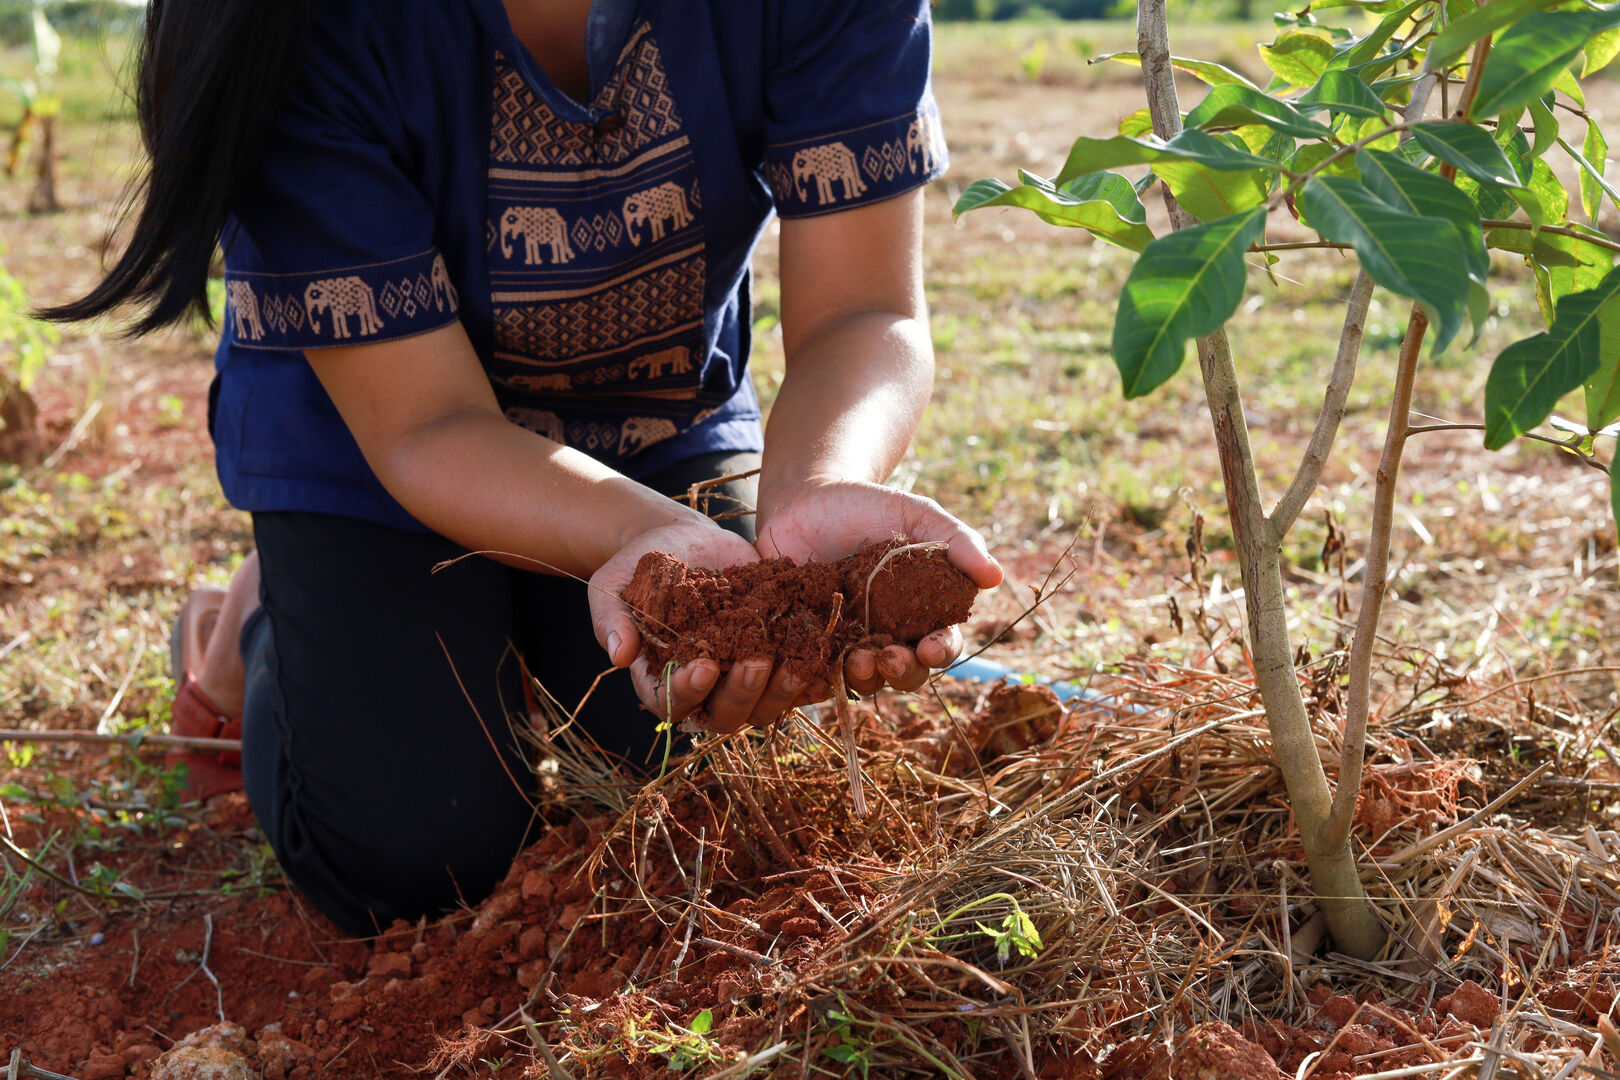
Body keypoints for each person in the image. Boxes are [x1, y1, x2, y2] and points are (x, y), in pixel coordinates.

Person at [46, 0, 1002, 937]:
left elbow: (861, 315)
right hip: (377, 436)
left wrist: (816, 486)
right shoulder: (308, 30)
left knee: (705, 789)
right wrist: (635, 535)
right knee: (420, 857)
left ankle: (504, 625)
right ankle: (254, 617)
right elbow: (426, 423)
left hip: (653, 422)